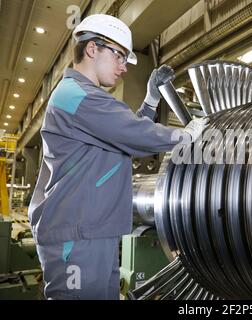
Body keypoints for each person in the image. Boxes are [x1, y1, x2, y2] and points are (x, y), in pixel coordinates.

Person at [28, 14, 207, 300]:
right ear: (92, 49)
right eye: (120, 56)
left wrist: (149, 101)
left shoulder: (84, 98)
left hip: (92, 232)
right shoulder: (75, 96)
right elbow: (132, 133)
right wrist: (185, 136)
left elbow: (120, 135)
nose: (124, 67)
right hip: (76, 237)